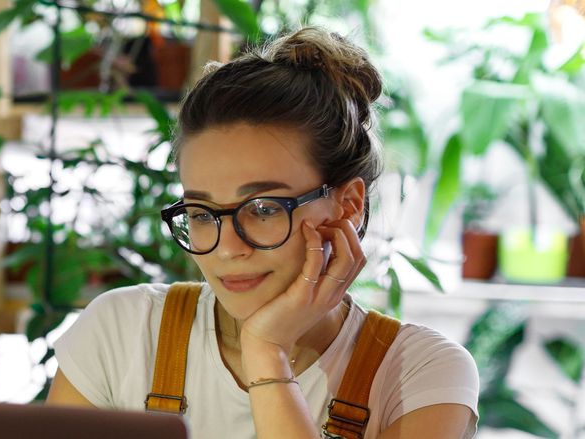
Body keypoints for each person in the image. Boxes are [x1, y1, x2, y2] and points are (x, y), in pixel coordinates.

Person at [45, 27, 480, 439]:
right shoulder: (122, 331)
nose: (228, 249)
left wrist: (266, 352)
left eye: (264, 208)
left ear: (348, 205)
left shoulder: (420, 374)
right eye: (200, 212)